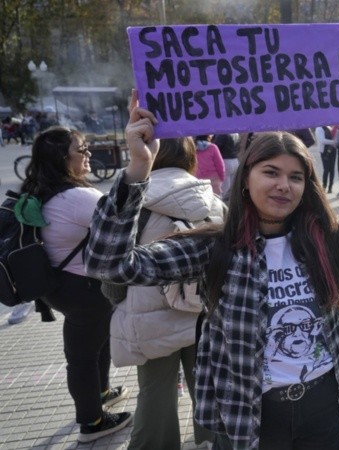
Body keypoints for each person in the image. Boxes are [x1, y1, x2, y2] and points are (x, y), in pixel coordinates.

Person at [85, 87, 339, 449]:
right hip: (252, 416)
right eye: (271, 172)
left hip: (327, 407)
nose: (283, 185)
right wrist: (137, 170)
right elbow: (111, 264)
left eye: (295, 177)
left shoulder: (327, 239)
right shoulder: (216, 248)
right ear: (245, 178)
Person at [110, 137, 225, 449]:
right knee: (208, 389)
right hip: (203, 313)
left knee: (155, 393)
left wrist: (117, 300)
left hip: (148, 317)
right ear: (190, 156)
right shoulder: (212, 200)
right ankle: (213, 444)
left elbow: (112, 269)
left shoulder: (133, 201)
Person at [21, 127, 131, 443]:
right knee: (82, 356)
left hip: (57, 285)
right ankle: (92, 421)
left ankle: (102, 392)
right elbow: (122, 223)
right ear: (62, 158)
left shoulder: (40, 190)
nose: (87, 155)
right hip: (85, 289)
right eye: (81, 149)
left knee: (96, 340)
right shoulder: (77, 197)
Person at [214, 133, 239, 200]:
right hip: (235, 159)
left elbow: (216, 147)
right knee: (231, 186)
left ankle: (220, 203)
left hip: (226, 160)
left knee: (224, 186)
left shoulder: (222, 134)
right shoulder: (235, 133)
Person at [315, 125, 338, 193]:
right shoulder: (319, 128)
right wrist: (334, 142)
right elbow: (322, 141)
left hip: (332, 150)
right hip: (324, 151)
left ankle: (330, 187)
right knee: (326, 169)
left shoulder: (329, 127)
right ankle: (324, 186)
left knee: (332, 170)